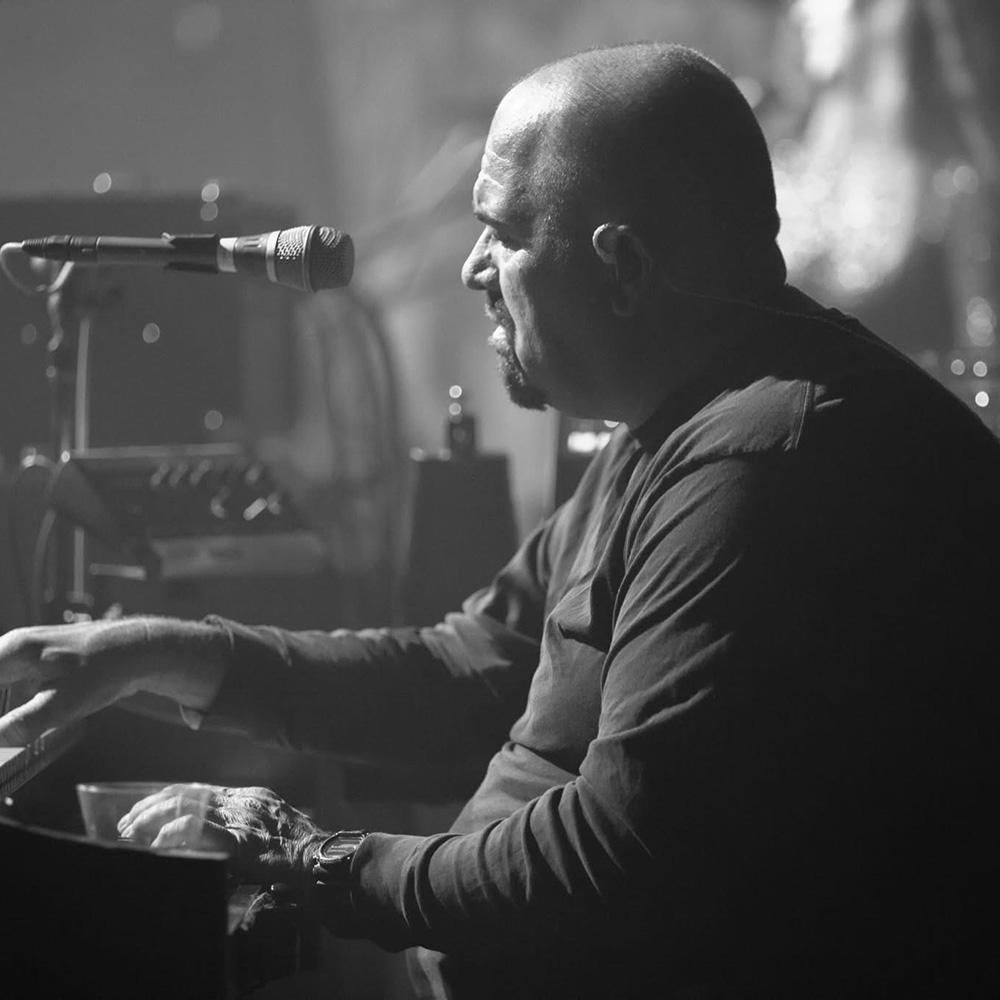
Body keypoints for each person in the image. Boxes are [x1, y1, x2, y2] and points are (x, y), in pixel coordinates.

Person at [2, 42, 999, 999]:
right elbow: (469, 670)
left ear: (623, 266)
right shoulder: (677, 418)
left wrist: (314, 858)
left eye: (505, 232)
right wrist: (166, 654)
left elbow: (618, 849)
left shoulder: (765, 462)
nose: (474, 266)